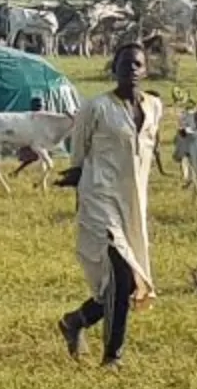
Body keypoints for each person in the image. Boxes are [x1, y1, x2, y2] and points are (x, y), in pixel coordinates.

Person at [56, 43, 160, 367]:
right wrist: (72, 182)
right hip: (100, 198)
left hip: (132, 203)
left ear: (145, 70)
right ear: (113, 68)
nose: (131, 69)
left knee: (127, 281)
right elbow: (78, 158)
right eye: (125, 64)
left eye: (137, 64)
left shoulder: (155, 107)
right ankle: (113, 356)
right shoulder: (96, 107)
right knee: (118, 272)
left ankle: (76, 320)